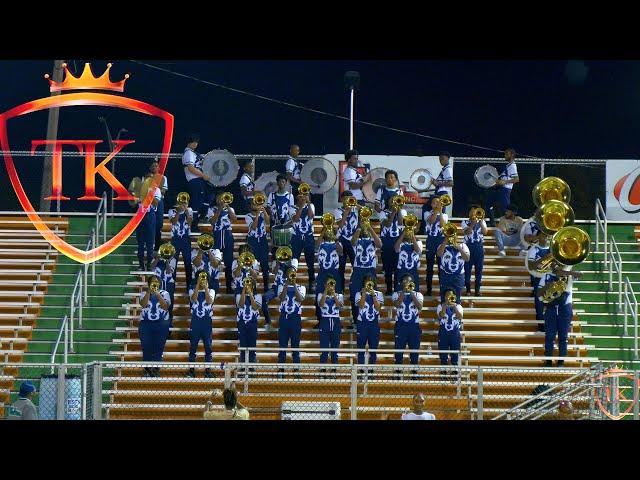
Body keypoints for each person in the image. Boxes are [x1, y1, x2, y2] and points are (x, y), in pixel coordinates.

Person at [538, 263, 581, 367]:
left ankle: (561, 360)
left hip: (564, 308)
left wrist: (566, 272)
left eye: (560, 265)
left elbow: (580, 274)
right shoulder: (546, 275)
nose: (558, 266)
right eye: (556, 264)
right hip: (550, 308)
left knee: (563, 336)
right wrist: (549, 285)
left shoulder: (569, 276)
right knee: (550, 336)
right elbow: (538, 292)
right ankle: (548, 360)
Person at [378, 171, 406, 294]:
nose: (393, 202)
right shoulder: (383, 213)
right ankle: (389, 289)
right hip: (386, 239)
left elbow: (400, 223)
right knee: (388, 266)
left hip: (397, 239)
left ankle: (397, 288)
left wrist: (398, 210)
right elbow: (388, 224)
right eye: (392, 201)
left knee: (397, 265)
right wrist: (393, 211)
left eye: (396, 201)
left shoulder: (402, 212)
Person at [349, 219, 382, 326]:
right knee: (355, 295)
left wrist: (370, 228)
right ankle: (356, 320)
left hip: (370, 270)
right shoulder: (357, 240)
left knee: (372, 293)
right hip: (358, 270)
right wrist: (360, 227)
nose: (365, 228)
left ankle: (372, 319)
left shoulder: (373, 241)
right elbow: (352, 242)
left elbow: (380, 244)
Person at [138, 275, 171, 377]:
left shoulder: (165, 293)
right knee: (146, 347)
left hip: (161, 324)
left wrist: (157, 294)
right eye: (152, 282)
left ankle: (156, 370)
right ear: (148, 284)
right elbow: (143, 304)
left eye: (156, 282)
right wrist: (149, 292)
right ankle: (147, 370)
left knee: (159, 347)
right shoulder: (143, 293)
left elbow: (165, 307)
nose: (154, 284)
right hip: (145, 324)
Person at [186, 271, 216, 378]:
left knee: (208, 347)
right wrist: (198, 285)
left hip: (206, 322)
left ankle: (208, 371)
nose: (203, 280)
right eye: (201, 278)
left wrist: (206, 288)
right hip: (195, 322)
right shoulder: (192, 290)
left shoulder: (212, 290)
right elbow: (193, 299)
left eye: (204, 278)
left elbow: (209, 301)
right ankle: (191, 370)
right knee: (193, 347)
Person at [208, 193, 238, 293]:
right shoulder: (211, 209)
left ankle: (229, 287)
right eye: (219, 198)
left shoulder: (231, 209)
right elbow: (212, 222)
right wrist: (219, 209)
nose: (221, 200)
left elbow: (234, 219)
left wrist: (228, 207)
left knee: (228, 263)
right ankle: (213, 286)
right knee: (214, 262)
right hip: (216, 236)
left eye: (223, 198)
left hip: (228, 236)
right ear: (216, 200)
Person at [182, 133, 212, 233]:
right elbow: (190, 168)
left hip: (200, 180)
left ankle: (202, 216)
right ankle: (193, 225)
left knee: (209, 196)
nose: (195, 144)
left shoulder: (194, 153)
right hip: (194, 180)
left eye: (196, 142)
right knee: (196, 203)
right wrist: (204, 175)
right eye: (194, 142)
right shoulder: (188, 153)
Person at [392, 275, 424, 368]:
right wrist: (403, 292)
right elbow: (397, 304)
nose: (407, 283)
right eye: (405, 281)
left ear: (412, 283)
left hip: (414, 325)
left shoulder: (418, 294)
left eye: (409, 281)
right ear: (401, 283)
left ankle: (414, 373)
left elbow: (420, 307)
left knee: (414, 350)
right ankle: (398, 372)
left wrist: (411, 293)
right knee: (398, 350)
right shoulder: (396, 294)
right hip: (400, 325)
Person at [277, 267, 306, 365]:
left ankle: (296, 371)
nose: (291, 275)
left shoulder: (301, 287)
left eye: (293, 273)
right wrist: (286, 284)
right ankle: (281, 371)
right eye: (289, 273)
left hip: (295, 318)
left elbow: (300, 299)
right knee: (282, 346)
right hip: (284, 317)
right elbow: (281, 298)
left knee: (295, 346)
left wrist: (293, 285)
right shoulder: (281, 286)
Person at [290, 186, 316, 294]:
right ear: (297, 197)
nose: (304, 197)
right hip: (296, 237)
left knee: (310, 262)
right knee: (294, 261)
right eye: (301, 195)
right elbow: (295, 218)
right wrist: (301, 206)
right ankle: (292, 282)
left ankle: (311, 282)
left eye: (306, 194)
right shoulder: (291, 207)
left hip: (308, 236)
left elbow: (311, 216)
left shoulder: (311, 205)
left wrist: (308, 203)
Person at [315, 228, 343, 323]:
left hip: (334, 272)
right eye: (327, 230)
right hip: (322, 272)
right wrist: (323, 231)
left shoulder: (337, 243)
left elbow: (340, 251)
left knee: (337, 293)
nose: (329, 231)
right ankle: (320, 320)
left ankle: (336, 319)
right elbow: (316, 245)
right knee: (319, 293)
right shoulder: (321, 244)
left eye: (330, 230)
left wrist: (335, 239)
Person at [133, 174, 161, 271]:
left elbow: (156, 203)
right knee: (140, 242)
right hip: (140, 215)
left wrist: (149, 193)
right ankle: (141, 264)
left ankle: (149, 264)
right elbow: (133, 203)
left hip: (150, 215)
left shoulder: (156, 190)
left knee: (150, 243)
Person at [486, 148, 519, 227]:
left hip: (505, 190)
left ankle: (510, 226)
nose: (505, 155)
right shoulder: (508, 166)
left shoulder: (512, 166)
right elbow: (503, 179)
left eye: (507, 154)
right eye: (505, 154)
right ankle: (492, 222)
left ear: (512, 155)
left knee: (506, 209)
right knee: (488, 203)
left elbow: (516, 179)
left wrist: (504, 182)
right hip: (501, 189)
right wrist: (496, 183)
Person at [355, 275, 384, 365]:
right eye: (367, 281)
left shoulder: (379, 294)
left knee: (373, 348)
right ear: (364, 282)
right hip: (362, 323)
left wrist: (373, 295)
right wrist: (364, 294)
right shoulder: (358, 293)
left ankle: (371, 369)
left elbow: (378, 307)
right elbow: (361, 305)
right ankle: (360, 369)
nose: (369, 283)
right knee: (360, 348)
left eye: (371, 281)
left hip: (374, 324)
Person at [437, 225, 470, 303]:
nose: (451, 235)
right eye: (448, 233)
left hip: (458, 276)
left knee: (457, 298)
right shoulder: (441, 246)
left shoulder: (463, 245)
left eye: (453, 233)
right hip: (445, 275)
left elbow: (467, 258)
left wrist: (459, 248)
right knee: (444, 298)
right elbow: (439, 254)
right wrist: (445, 241)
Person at [423, 195, 448, 296]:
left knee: (441, 266)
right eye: (434, 202)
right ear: (431, 204)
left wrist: (440, 211)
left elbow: (442, 225)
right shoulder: (427, 213)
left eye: (438, 202)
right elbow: (431, 221)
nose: (436, 204)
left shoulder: (445, 215)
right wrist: (436, 211)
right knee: (429, 267)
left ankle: (442, 289)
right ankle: (429, 290)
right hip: (431, 240)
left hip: (440, 241)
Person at [317, 274, 344, 366]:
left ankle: (334, 370)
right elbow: (320, 304)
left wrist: (333, 294)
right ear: (325, 284)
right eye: (328, 283)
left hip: (336, 321)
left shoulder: (339, 295)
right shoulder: (320, 295)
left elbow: (339, 306)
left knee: (335, 349)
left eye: (332, 283)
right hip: (325, 321)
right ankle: (323, 370)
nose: (330, 285)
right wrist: (326, 291)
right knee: (324, 349)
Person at [334, 191, 359, 290]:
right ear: (342, 200)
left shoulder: (356, 209)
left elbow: (368, 211)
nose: (347, 201)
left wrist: (357, 204)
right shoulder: (338, 210)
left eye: (349, 199)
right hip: (342, 240)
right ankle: (340, 288)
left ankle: (355, 286)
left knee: (356, 265)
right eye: (345, 199)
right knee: (341, 266)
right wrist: (346, 212)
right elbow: (340, 224)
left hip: (353, 240)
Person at [267, 174, 295, 258]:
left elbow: (291, 209)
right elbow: (268, 207)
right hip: (275, 222)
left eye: (283, 181)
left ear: (285, 183)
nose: (282, 183)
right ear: (277, 183)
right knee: (275, 243)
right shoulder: (272, 195)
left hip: (286, 223)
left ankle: (285, 261)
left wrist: (290, 220)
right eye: (280, 181)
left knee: (286, 243)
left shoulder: (290, 196)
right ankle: (275, 262)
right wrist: (271, 215)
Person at [168, 193, 193, 287]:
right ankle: (172, 284)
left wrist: (186, 211)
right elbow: (173, 222)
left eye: (185, 201)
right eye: (181, 201)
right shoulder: (172, 211)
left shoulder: (189, 210)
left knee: (188, 263)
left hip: (186, 240)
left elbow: (190, 223)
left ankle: (189, 285)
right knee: (173, 262)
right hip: (175, 239)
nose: (183, 202)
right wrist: (178, 211)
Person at [462, 205, 488, 296]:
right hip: (468, 247)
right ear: (469, 213)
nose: (473, 213)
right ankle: (468, 290)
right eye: (472, 211)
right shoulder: (464, 222)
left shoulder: (482, 222)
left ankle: (477, 290)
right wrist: (472, 224)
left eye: (476, 212)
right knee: (467, 269)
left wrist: (480, 221)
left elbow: (485, 232)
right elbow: (467, 232)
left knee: (479, 270)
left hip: (478, 247)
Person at [527, 231, 551, 332]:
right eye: (543, 235)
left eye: (546, 235)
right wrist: (543, 259)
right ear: (538, 236)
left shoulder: (552, 249)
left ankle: (550, 323)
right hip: (539, 277)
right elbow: (531, 266)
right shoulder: (534, 249)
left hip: (550, 277)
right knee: (539, 302)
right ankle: (541, 324)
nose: (545, 237)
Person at [245, 200, 271, 291]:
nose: (256, 205)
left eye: (257, 204)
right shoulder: (247, 216)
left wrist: (264, 211)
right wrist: (257, 214)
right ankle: (253, 286)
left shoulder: (262, 214)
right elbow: (254, 226)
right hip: (253, 241)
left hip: (263, 241)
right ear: (250, 206)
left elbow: (268, 222)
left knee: (265, 263)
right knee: (252, 264)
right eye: (254, 204)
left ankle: (266, 286)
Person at [236, 276, 262, 365]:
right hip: (242, 324)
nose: (247, 285)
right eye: (246, 283)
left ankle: (251, 368)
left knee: (252, 346)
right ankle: (243, 367)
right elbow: (241, 304)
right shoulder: (239, 295)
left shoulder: (258, 296)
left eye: (249, 283)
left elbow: (255, 307)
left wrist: (250, 293)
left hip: (253, 324)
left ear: (253, 286)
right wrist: (244, 290)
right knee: (242, 346)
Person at [150, 245, 177, 330]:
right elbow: (151, 268)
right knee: (156, 303)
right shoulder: (156, 259)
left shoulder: (173, 260)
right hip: (157, 284)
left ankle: (169, 324)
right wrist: (158, 258)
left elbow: (169, 271)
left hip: (168, 284)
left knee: (169, 304)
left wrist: (167, 260)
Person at [437, 289, 464, 372]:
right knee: (443, 353)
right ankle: (443, 373)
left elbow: (460, 317)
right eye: (447, 295)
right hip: (443, 333)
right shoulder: (440, 306)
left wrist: (454, 306)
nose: (449, 297)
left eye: (451, 296)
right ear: (444, 297)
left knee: (455, 353)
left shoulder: (459, 306)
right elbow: (441, 316)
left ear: (454, 297)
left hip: (454, 333)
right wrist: (445, 305)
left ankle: (454, 372)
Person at [394, 223, 422, 291]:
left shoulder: (418, 242)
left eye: (410, 231)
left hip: (413, 270)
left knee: (414, 289)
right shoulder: (400, 242)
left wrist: (412, 236)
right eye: (407, 231)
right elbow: (396, 249)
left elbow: (418, 251)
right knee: (400, 289)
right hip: (402, 269)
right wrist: (403, 233)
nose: (408, 233)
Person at [149, 160, 168, 251]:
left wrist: (154, 188)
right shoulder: (147, 178)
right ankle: (148, 245)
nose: (155, 167)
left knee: (159, 224)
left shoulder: (163, 177)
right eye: (153, 166)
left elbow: (163, 191)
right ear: (150, 168)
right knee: (149, 224)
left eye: (156, 166)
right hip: (148, 202)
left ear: (159, 168)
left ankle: (157, 246)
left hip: (159, 201)